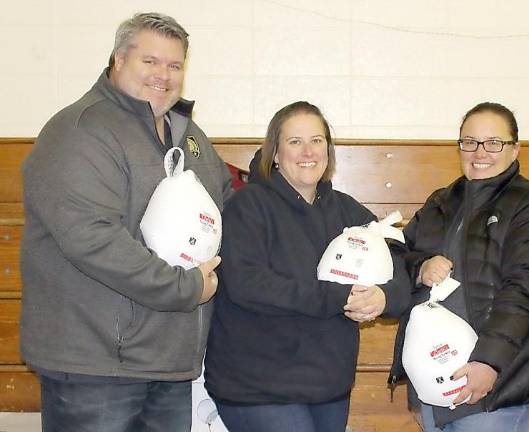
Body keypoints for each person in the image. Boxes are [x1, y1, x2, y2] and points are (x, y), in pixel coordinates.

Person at [20, 12, 232, 432]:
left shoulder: (189, 136)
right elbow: (92, 239)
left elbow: (226, 211)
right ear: (118, 60)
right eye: (150, 61)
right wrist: (186, 286)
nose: (164, 75)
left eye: (174, 65)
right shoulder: (80, 131)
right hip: (96, 364)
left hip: (168, 358)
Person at [202, 101, 410, 432]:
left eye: (316, 140)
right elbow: (249, 285)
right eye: (294, 142)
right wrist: (339, 296)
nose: (307, 151)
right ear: (274, 153)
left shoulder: (347, 211)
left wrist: (383, 298)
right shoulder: (248, 206)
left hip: (329, 386)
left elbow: (402, 265)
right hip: (256, 386)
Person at [389, 102, 529, 432]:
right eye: (469, 142)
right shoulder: (441, 202)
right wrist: (420, 266)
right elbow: (396, 254)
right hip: (440, 375)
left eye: (493, 143)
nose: (480, 152)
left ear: (515, 149)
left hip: (507, 373)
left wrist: (488, 363)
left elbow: (524, 290)